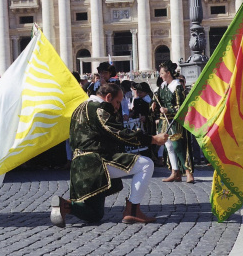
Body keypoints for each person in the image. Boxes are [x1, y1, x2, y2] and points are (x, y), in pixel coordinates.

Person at [50, 83, 168, 226]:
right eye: (118, 102)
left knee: (95, 214)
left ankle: (64, 205)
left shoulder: (78, 109)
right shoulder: (99, 108)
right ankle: (133, 211)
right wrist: (153, 139)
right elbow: (118, 133)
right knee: (146, 164)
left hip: (78, 166)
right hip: (96, 162)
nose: (118, 106)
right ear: (108, 97)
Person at [152, 60, 194, 183]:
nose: (160, 76)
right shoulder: (162, 87)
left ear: (168, 73)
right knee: (168, 146)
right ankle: (175, 172)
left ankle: (187, 171)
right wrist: (153, 104)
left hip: (175, 121)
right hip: (164, 121)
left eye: (162, 73)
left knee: (178, 146)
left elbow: (181, 106)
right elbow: (155, 99)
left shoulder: (177, 86)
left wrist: (167, 109)